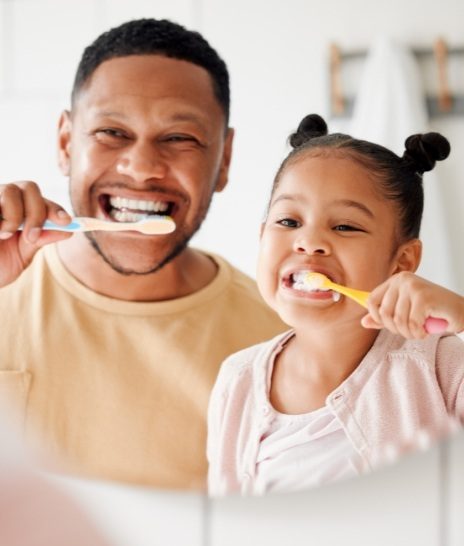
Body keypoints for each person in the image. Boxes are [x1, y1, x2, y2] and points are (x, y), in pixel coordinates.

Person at [0, 19, 285, 490]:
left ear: (224, 160)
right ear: (67, 143)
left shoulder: (280, 344)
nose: (143, 169)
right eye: (112, 132)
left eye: (179, 138)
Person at [207, 114, 464, 496]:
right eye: (289, 221)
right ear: (262, 237)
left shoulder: (439, 365)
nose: (309, 242)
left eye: (345, 226)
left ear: (404, 262)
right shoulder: (237, 379)